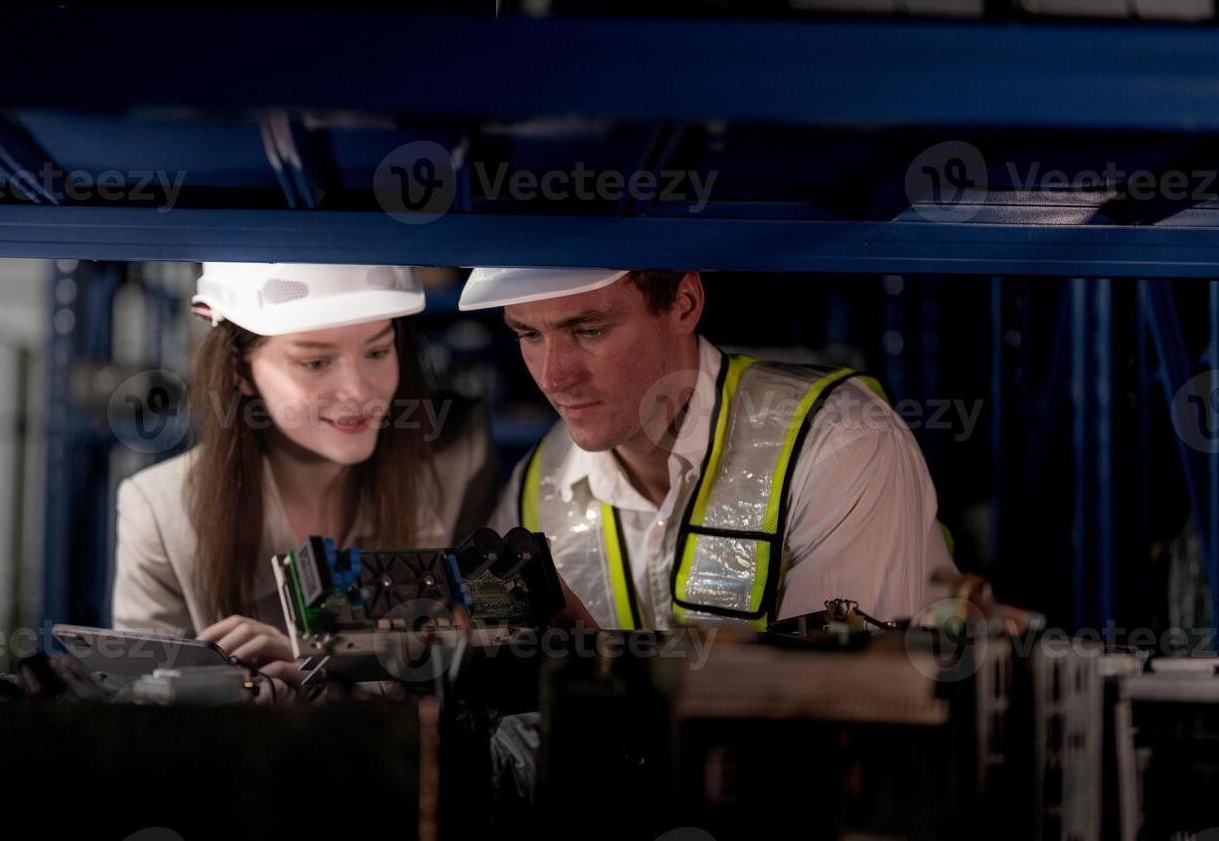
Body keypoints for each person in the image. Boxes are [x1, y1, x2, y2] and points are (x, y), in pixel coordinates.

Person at [463, 267, 955, 631]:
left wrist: (593, 670)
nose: (553, 377)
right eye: (529, 334)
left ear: (684, 303)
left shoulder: (840, 441)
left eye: (588, 330)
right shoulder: (538, 481)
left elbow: (829, 721)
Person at [112, 263, 499, 690]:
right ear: (241, 373)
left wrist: (327, 677)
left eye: (377, 352)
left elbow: (486, 678)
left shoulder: (456, 460)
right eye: (315, 362)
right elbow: (145, 719)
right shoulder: (160, 511)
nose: (357, 391)